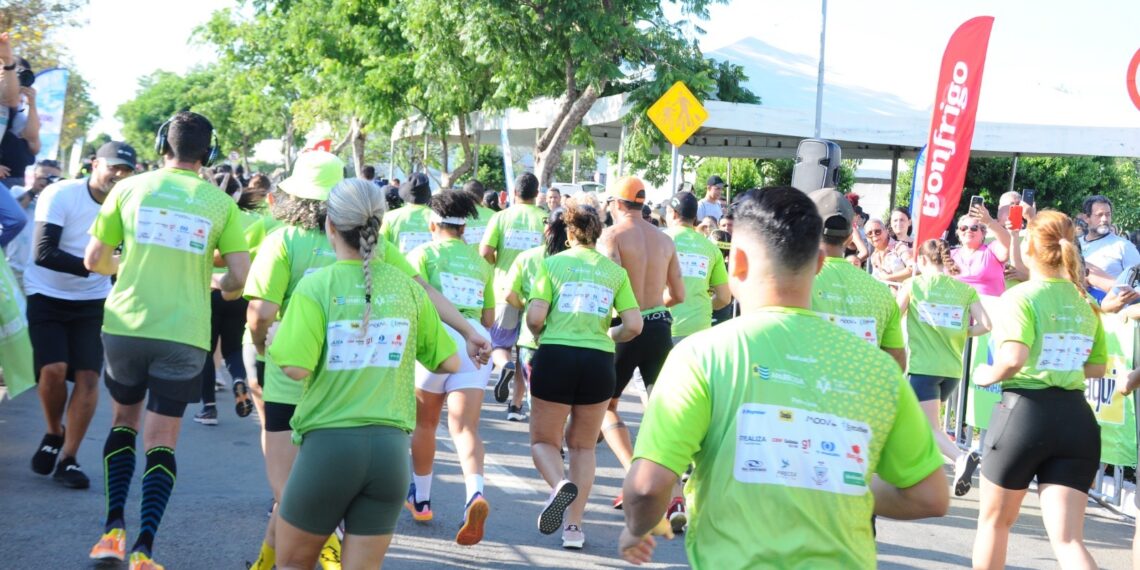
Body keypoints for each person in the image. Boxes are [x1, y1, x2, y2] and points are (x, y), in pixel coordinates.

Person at [619, 186, 948, 568]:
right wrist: (835, 480)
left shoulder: (701, 356)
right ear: (820, 263)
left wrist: (635, 528)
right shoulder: (878, 371)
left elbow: (646, 488)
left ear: (736, 261)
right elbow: (930, 495)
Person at [84, 112, 251, 569]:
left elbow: (94, 259)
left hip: (125, 326)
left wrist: (131, 264)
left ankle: (111, 531)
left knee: (124, 422)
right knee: (162, 441)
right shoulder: (220, 204)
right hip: (184, 333)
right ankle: (144, 549)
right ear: (208, 153)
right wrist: (219, 284)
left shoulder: (129, 188)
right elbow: (239, 275)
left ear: (162, 145)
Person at [268, 178, 460, 570]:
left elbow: (295, 367)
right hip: (390, 455)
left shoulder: (316, 286)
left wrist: (275, 337)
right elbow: (449, 362)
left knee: (292, 564)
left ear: (330, 227)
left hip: (329, 449)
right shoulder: (408, 290)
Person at [971, 211, 1107, 570]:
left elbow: (1013, 357)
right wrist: (1060, 364)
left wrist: (986, 374)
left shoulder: (1021, 296)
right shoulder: (1085, 302)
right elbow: (1097, 367)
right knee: (1068, 539)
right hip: (1077, 420)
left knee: (995, 523)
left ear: (1029, 246)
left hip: (1024, 413)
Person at [526, 204, 643, 549]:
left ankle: (558, 485)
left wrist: (539, 332)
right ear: (598, 231)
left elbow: (534, 317)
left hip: (556, 355)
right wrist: (610, 335)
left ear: (568, 232)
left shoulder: (551, 265)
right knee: (583, 447)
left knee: (543, 442)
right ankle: (574, 528)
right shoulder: (614, 273)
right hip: (598, 362)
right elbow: (634, 325)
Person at [25, 141, 135, 489]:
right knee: (54, 371)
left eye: (126, 170)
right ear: (94, 164)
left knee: (89, 378)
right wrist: (99, 268)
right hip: (46, 294)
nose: (118, 174)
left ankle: (69, 458)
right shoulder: (61, 194)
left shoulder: (129, 207)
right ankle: (53, 431)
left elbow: (129, 257)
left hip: (92, 303)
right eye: (113, 166)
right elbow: (44, 252)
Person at [404, 190, 495, 545]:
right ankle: (474, 493)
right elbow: (489, 316)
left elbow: (415, 300)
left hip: (436, 339)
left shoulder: (422, 253)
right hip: (476, 339)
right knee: (465, 427)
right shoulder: (480, 263)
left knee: (425, 423)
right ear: (465, 229)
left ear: (433, 224)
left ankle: (422, 500)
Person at [597, 176, 684, 512]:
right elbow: (679, 295)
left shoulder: (612, 236)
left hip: (625, 328)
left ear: (618, 204)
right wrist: (652, 307)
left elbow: (610, 289)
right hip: (660, 327)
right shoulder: (664, 240)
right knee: (662, 412)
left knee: (607, 406)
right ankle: (675, 496)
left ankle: (635, 477)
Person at [896, 238, 991, 497]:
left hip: (923, 368)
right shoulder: (964, 290)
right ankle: (916, 474)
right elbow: (986, 325)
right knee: (921, 424)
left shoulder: (914, 285)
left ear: (922, 260)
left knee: (927, 427)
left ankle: (961, 459)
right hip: (951, 370)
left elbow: (894, 315)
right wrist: (962, 332)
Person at [191, 170, 266, 425]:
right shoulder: (256, 220)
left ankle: (208, 408)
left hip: (209, 290)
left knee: (206, 350)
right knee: (233, 347)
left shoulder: (205, 214)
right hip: (242, 292)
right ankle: (237, 379)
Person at [809, 189, 906, 370]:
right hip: (862, 393)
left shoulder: (795, 281)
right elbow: (896, 365)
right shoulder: (881, 293)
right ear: (848, 238)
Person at [480, 172, 547, 420]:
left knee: (499, 344)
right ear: (536, 193)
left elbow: (485, 250)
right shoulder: (545, 218)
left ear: (514, 193)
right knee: (526, 350)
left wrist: (497, 264)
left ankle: (503, 364)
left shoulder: (501, 217)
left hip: (504, 291)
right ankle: (516, 407)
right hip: (536, 294)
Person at [504, 208, 570, 429]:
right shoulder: (576, 260)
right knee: (562, 394)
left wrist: (527, 306)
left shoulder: (527, 257)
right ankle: (558, 434)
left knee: (537, 395)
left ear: (547, 228)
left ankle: (548, 440)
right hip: (568, 338)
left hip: (531, 338)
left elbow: (509, 294)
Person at [664, 191, 731, 344]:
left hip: (666, 326)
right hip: (701, 329)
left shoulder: (661, 241)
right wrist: (702, 308)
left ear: (673, 214)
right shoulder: (711, 248)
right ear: (695, 217)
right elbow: (724, 297)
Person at [1080, 195, 1140, 299]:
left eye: (1108, 215)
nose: (1104, 219)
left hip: (1111, 311)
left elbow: (1137, 285)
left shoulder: (1123, 246)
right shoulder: (1075, 244)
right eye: (1099, 215)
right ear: (1086, 218)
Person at [951, 201, 1012, 298]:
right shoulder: (950, 254)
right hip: (959, 310)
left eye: (974, 228)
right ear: (958, 232)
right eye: (963, 228)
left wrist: (988, 221)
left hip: (988, 309)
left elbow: (1008, 242)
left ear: (983, 233)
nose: (968, 231)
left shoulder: (992, 250)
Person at [380, 172, 433, 254]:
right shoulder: (436, 218)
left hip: (396, 265)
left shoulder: (390, 217)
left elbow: (380, 245)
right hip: (426, 266)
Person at [865, 218, 912, 284]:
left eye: (877, 231)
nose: (874, 235)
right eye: (869, 233)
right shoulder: (874, 256)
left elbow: (913, 268)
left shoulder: (899, 247)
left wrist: (889, 277)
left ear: (886, 231)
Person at [461, 180, 495, 250]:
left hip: (464, 259)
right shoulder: (494, 215)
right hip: (487, 260)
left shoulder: (457, 215)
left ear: (464, 195)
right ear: (483, 196)